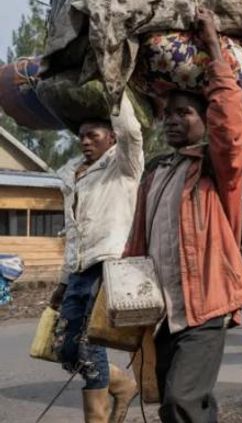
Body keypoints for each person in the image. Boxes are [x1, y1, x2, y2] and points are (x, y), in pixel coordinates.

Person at [122, 8, 242, 423]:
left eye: (186, 113)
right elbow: (138, 245)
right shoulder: (158, 174)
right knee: (172, 401)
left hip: (206, 307)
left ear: (204, 119)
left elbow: (231, 129)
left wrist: (213, 45)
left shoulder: (217, 171)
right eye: (170, 114)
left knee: (182, 400)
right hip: (164, 311)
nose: (174, 121)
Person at [46, 93, 143, 422]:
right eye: (81, 137)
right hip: (78, 271)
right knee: (67, 349)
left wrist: (115, 91)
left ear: (111, 138)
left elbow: (131, 131)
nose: (85, 142)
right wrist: (62, 282)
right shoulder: (73, 177)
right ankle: (123, 384)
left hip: (109, 265)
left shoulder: (123, 167)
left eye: (93, 136)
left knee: (89, 348)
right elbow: (73, 233)